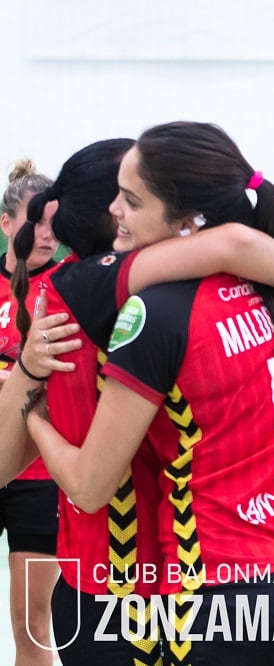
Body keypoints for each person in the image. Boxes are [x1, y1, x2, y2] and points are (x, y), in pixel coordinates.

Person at [24, 121, 274, 665]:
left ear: (185, 218)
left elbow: (89, 486)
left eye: (132, 201)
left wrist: (33, 413)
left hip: (224, 590)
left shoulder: (151, 309)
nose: (118, 212)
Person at [0, 159, 60, 666]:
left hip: (41, 473)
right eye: (33, 221)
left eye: (53, 222)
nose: (45, 234)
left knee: (32, 623)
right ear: (5, 225)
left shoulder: (72, 285)